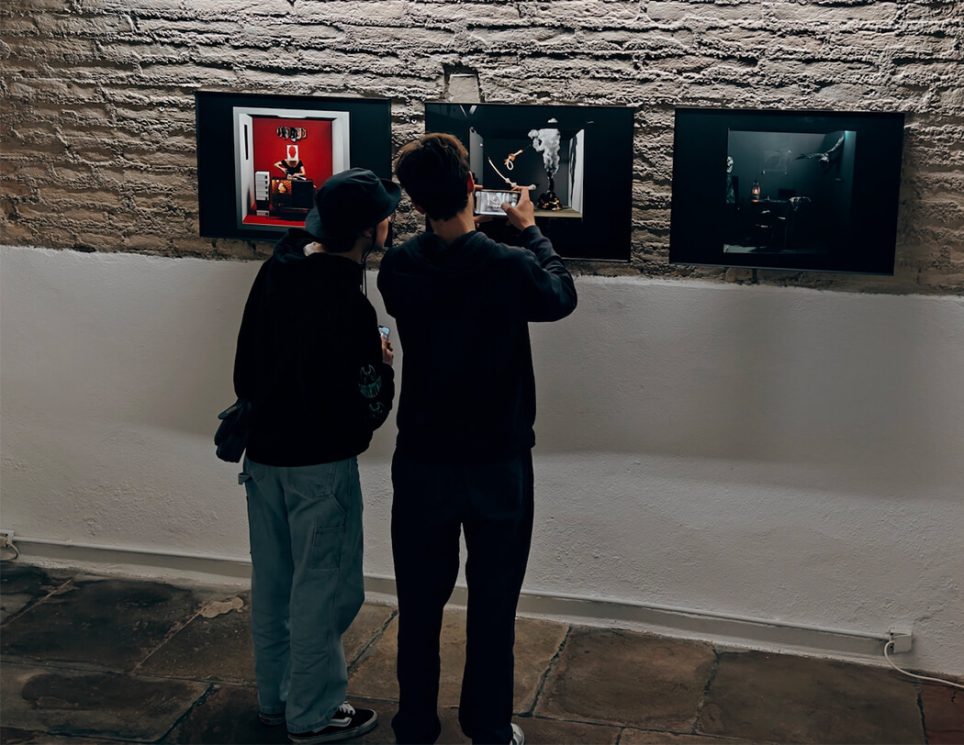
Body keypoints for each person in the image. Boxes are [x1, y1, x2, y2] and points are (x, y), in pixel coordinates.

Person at [377, 133, 577, 745]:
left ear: (413, 201)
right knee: (493, 600)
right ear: (471, 187)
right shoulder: (506, 262)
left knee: (418, 599)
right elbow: (560, 295)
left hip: (423, 457)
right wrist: (530, 229)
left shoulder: (400, 266)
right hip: (496, 458)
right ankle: (486, 726)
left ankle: (415, 723)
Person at [233, 168, 400, 744]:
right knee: (326, 591)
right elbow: (369, 404)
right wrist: (382, 360)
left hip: (263, 459)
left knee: (275, 585)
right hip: (319, 468)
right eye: (386, 217)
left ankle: (276, 701)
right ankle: (313, 713)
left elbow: (244, 367)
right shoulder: (348, 303)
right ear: (369, 230)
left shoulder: (279, 271)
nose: (392, 223)